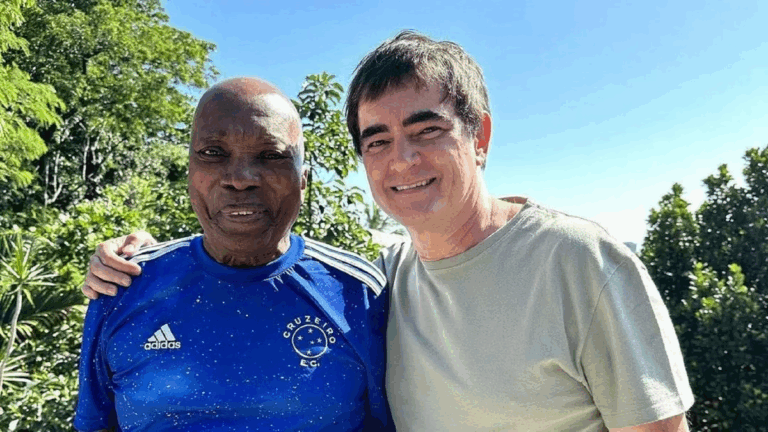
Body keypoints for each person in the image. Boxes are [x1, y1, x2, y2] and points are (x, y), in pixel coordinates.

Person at [84, 31, 694, 431]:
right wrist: (130, 259)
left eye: (427, 130)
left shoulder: (579, 262)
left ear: (479, 137)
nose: (402, 159)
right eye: (377, 140)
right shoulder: (385, 280)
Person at [74, 77, 392, 432]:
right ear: (190, 172)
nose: (240, 179)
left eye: (271, 155)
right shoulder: (121, 285)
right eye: (213, 153)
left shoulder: (359, 295)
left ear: (303, 179)